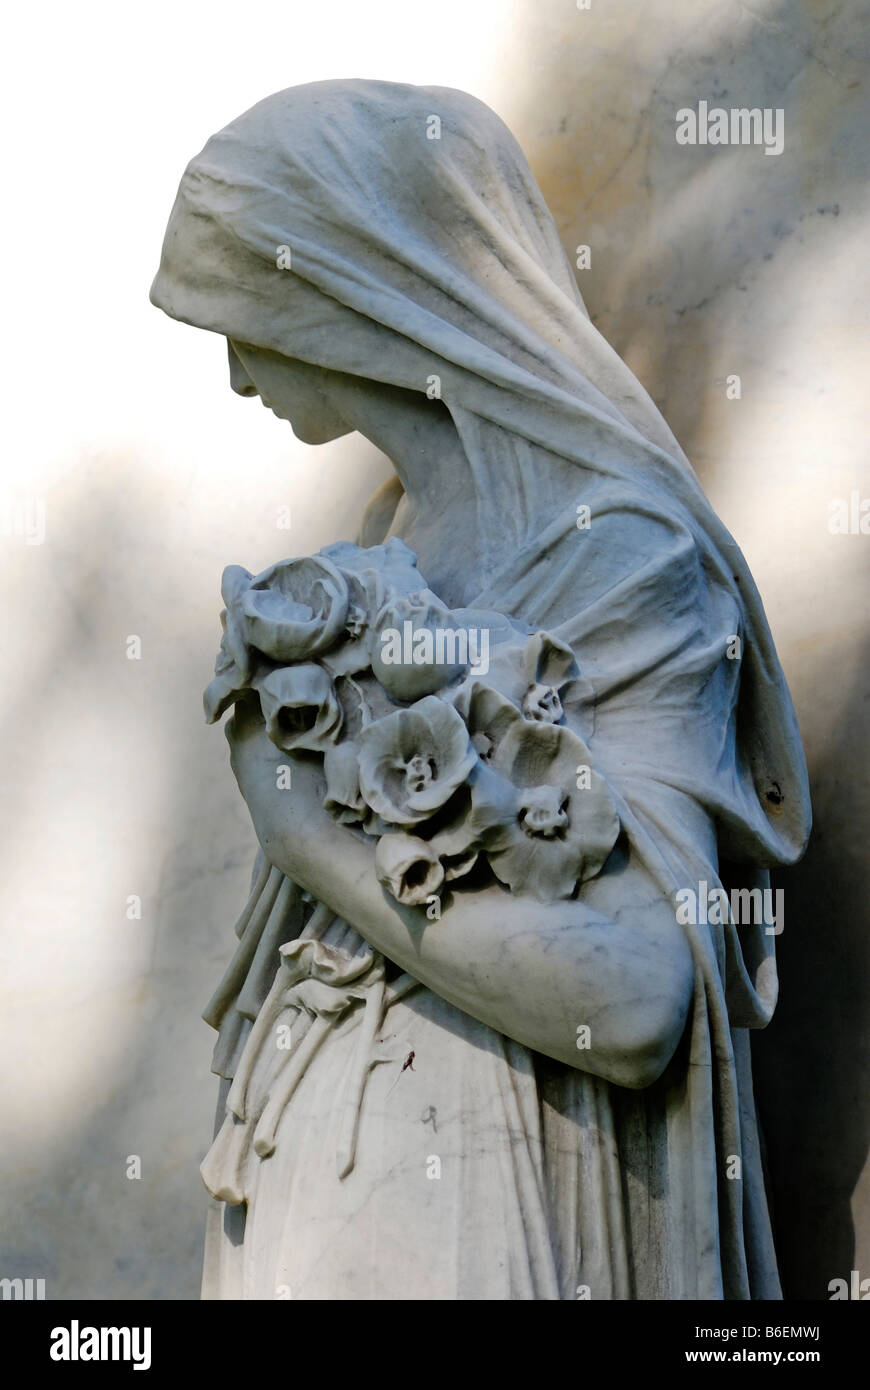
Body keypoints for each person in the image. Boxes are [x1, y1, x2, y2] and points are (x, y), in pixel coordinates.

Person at [151, 78, 810, 1300]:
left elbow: (634, 1000)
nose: (240, 377)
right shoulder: (387, 536)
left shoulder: (625, 553)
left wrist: (310, 843)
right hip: (326, 1196)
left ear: (353, 291)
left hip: (492, 1211)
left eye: (242, 318)